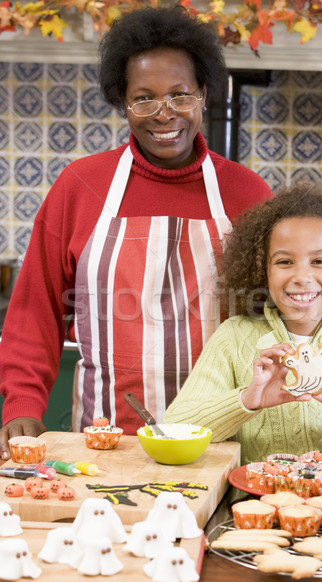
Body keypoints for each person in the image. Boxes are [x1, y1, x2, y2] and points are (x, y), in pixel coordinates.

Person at [0, 5, 272, 460]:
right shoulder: (81, 186)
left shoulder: (247, 193)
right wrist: (22, 401)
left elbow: (277, 315)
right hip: (105, 441)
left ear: (204, 95)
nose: (164, 114)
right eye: (144, 98)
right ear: (122, 102)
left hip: (224, 442)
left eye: (180, 95)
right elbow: (35, 308)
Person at [163, 185, 322, 464]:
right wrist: (245, 401)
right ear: (264, 271)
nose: (301, 276)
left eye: (319, 261)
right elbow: (173, 430)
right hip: (253, 506)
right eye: (285, 261)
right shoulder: (233, 337)